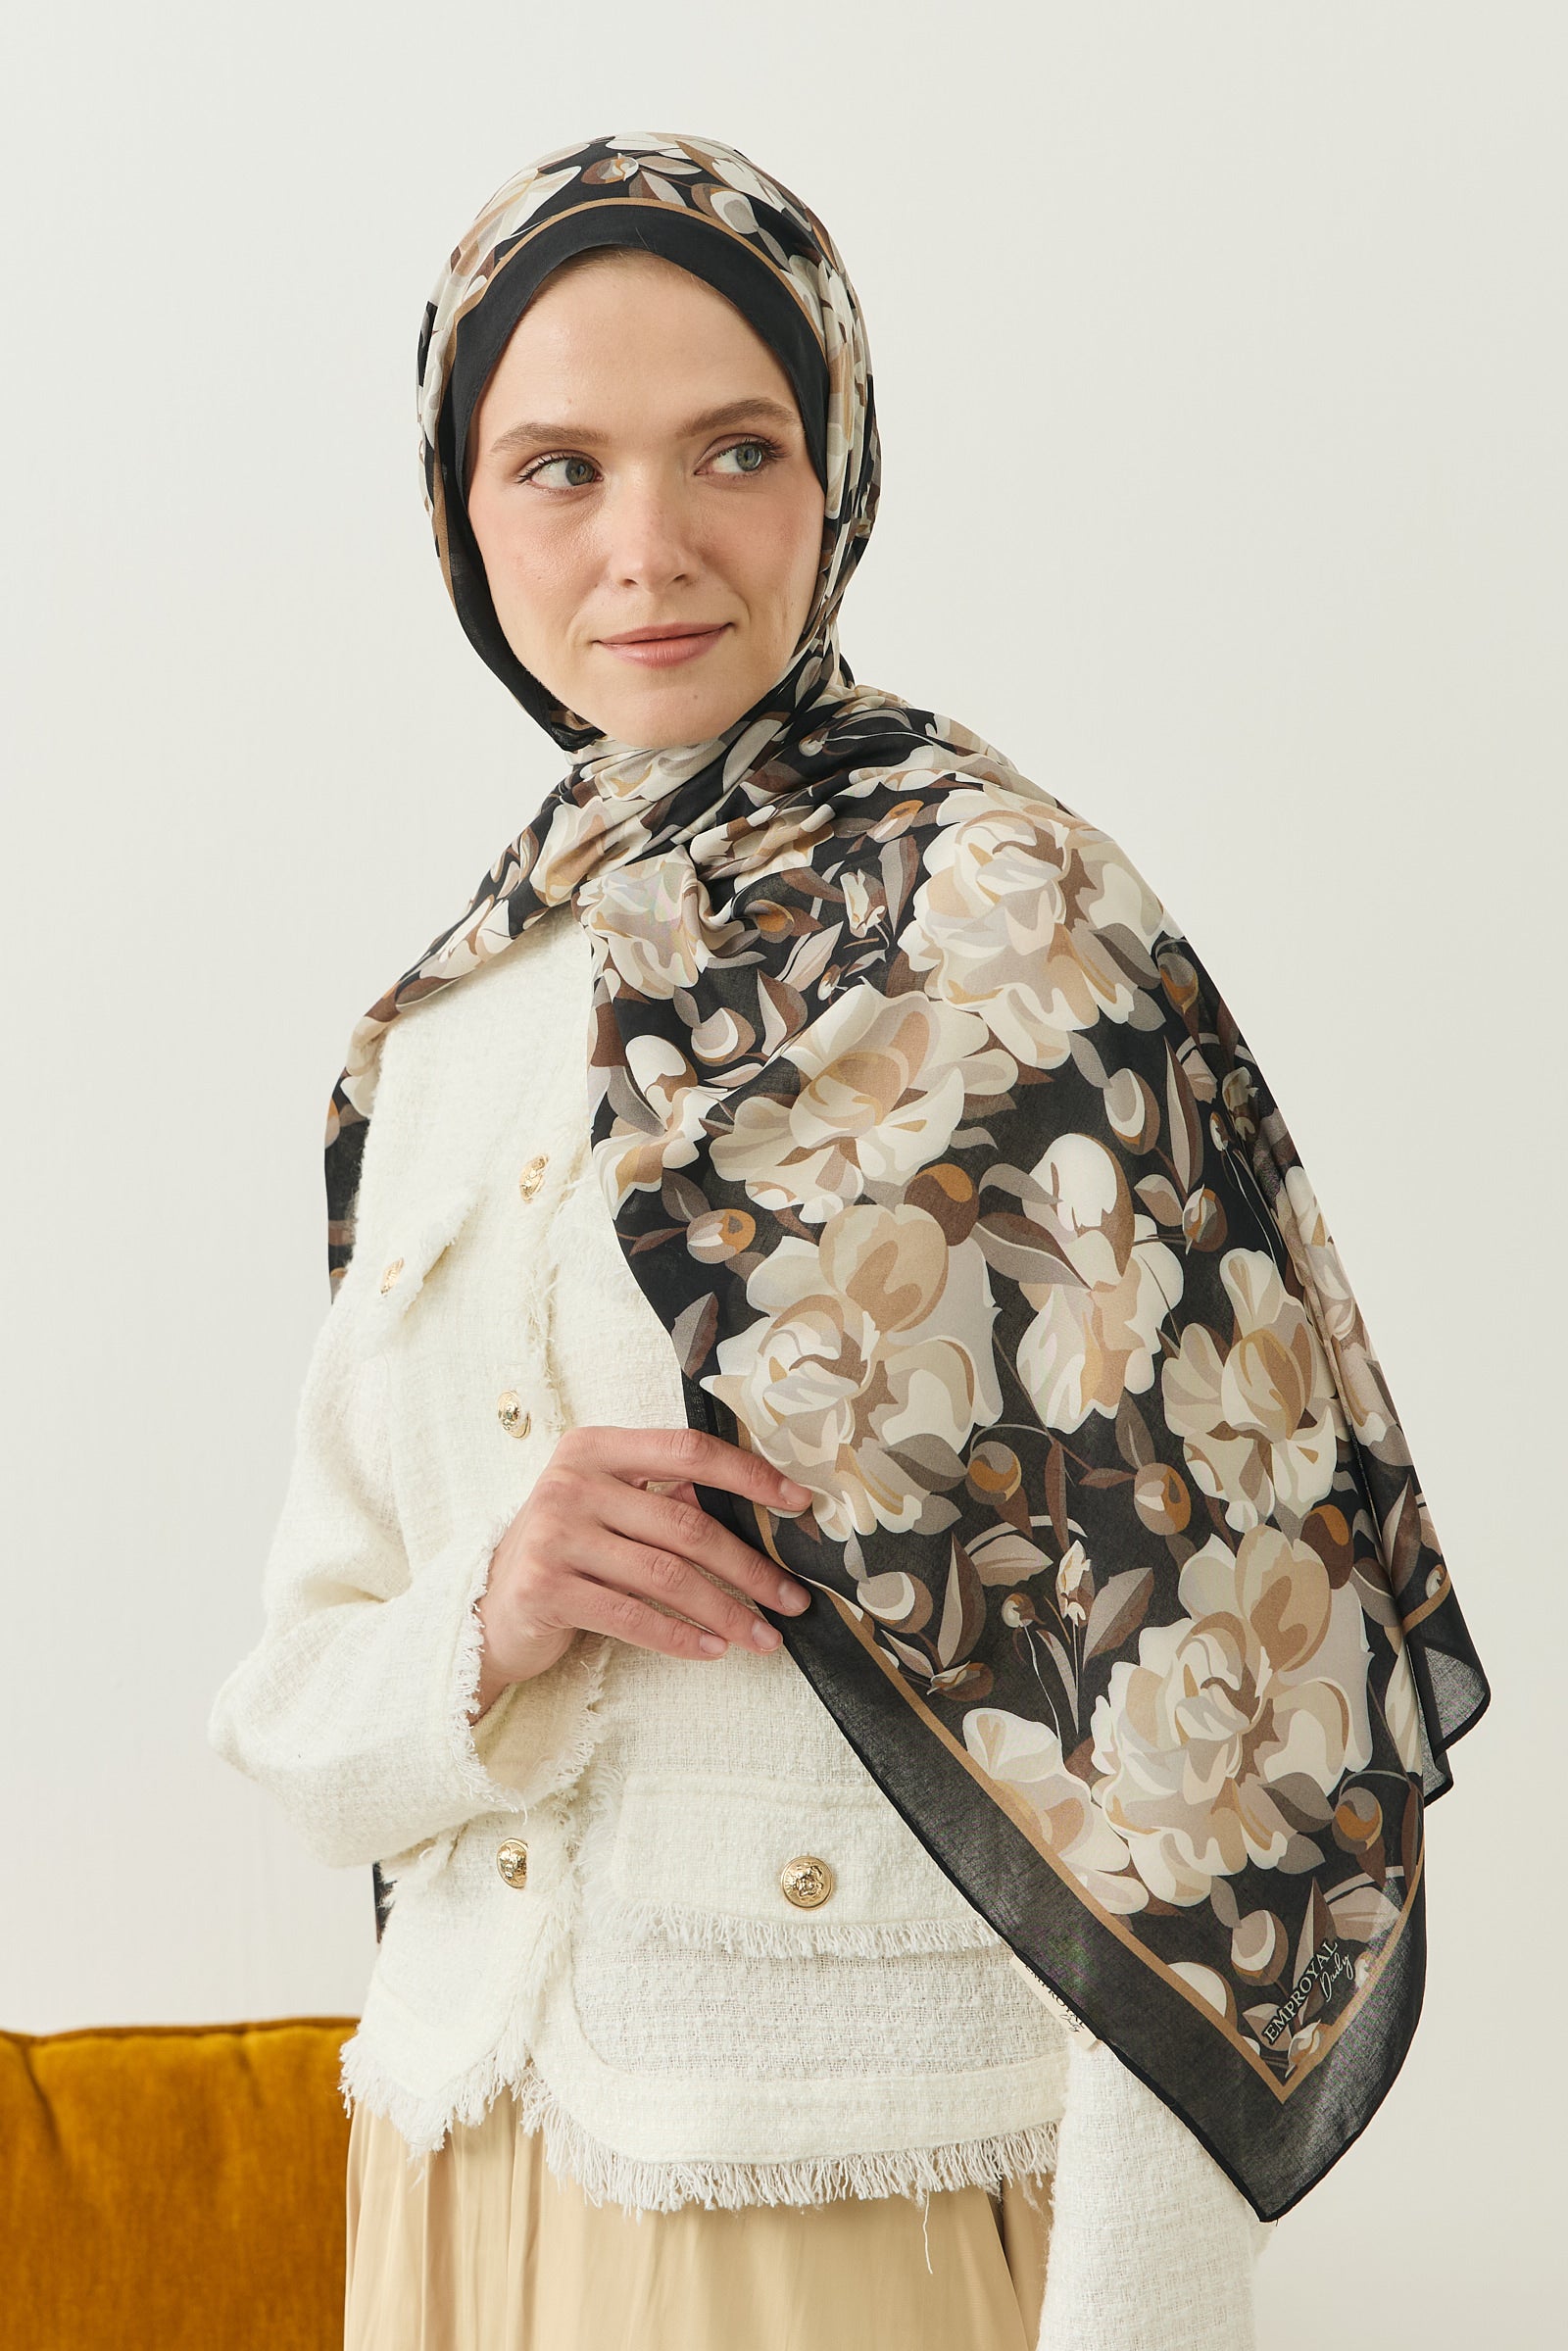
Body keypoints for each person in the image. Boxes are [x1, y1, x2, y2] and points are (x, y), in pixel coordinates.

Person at [209, 130, 1489, 2351]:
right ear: (459, 514)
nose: (648, 548)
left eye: (734, 449)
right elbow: (297, 1715)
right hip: (443, 2173)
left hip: (830, 2203)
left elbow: (1219, 1777)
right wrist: (491, 1614)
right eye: (557, 469)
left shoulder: (1002, 928)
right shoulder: (453, 1024)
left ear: (838, 471)